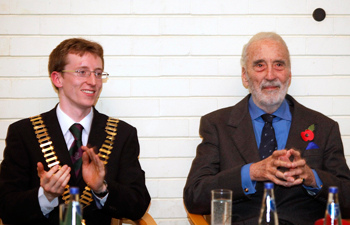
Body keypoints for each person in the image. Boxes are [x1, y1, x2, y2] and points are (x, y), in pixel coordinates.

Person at [183, 32, 350, 225]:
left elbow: (347, 199)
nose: (270, 75)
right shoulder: (217, 125)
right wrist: (251, 172)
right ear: (245, 76)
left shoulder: (324, 127)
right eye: (260, 65)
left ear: (289, 75)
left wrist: (312, 178)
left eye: (278, 64)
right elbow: (195, 196)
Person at [0, 38, 150, 225]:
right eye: (82, 72)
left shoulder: (122, 134)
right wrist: (45, 195)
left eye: (98, 73)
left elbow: (139, 204)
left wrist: (101, 189)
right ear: (58, 78)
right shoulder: (24, 134)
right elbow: (6, 207)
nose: (93, 81)